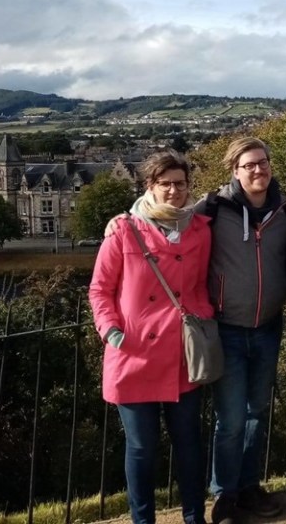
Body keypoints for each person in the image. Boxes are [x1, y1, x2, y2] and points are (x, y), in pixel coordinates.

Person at [88, 150, 212, 524]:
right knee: (142, 449)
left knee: (189, 446)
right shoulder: (124, 229)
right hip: (133, 354)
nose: (174, 191)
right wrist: (110, 330)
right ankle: (143, 521)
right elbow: (99, 289)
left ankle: (194, 517)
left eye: (181, 183)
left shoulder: (201, 229)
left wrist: (202, 317)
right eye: (165, 184)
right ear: (150, 186)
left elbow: (200, 286)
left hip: (182, 355)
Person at [202, 137, 286, 524]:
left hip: (267, 326)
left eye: (263, 162)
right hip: (226, 328)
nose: (258, 170)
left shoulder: (284, 209)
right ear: (234, 171)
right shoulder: (213, 207)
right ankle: (223, 492)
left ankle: (248, 486)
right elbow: (167, 220)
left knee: (258, 412)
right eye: (249, 165)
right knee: (231, 419)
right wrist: (125, 217)